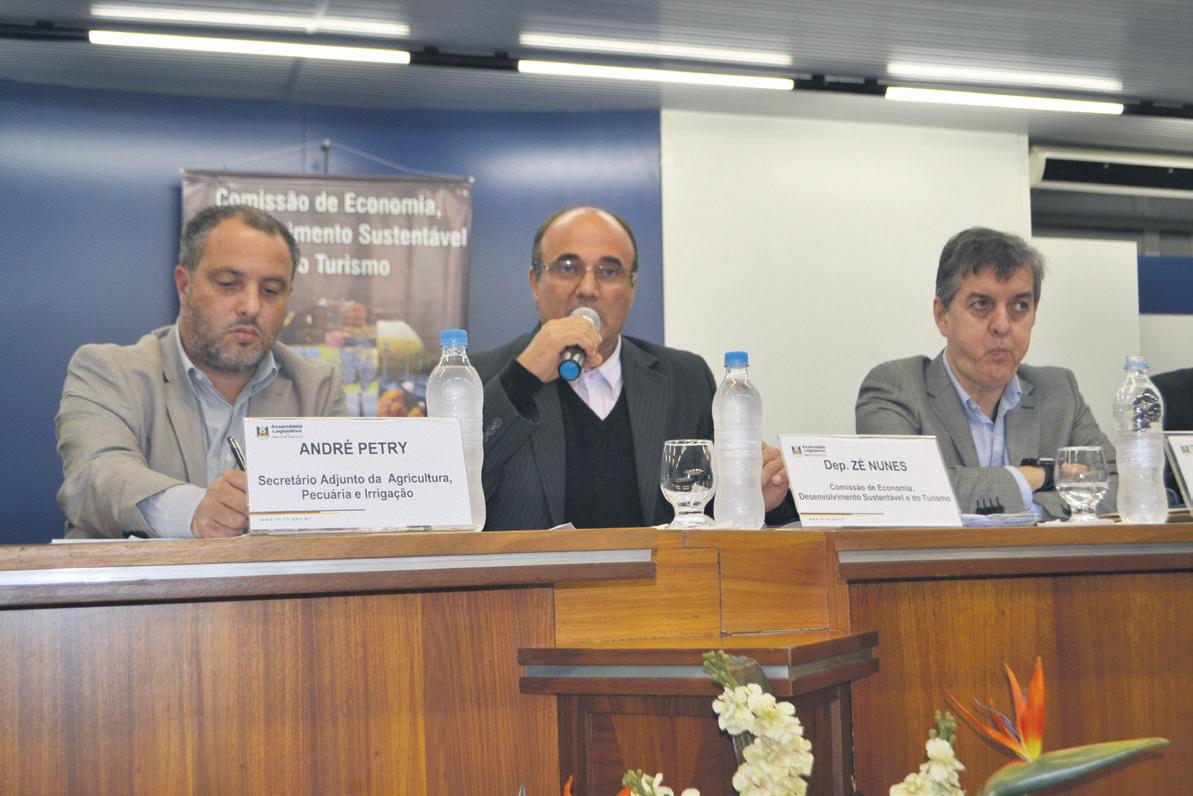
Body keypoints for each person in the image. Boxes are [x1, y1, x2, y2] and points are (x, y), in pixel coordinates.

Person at [471, 206, 792, 530]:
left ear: (632, 288)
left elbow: (721, 505)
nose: (588, 288)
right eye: (568, 267)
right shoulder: (482, 378)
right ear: (534, 282)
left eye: (609, 271)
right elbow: (454, 493)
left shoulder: (685, 379)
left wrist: (762, 492)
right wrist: (522, 378)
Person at [56, 204, 347, 539]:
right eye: (229, 284)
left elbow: (342, 510)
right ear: (185, 286)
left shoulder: (317, 387)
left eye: (270, 291)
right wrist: (194, 511)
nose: (251, 307)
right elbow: (94, 478)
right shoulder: (109, 371)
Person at [855, 227, 1115, 519]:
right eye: (981, 305)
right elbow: (903, 491)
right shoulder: (896, 388)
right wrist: (1043, 475)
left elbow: (1115, 487)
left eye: (1020, 306)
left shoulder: (1059, 392)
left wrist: (1034, 509)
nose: (1002, 325)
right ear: (942, 316)